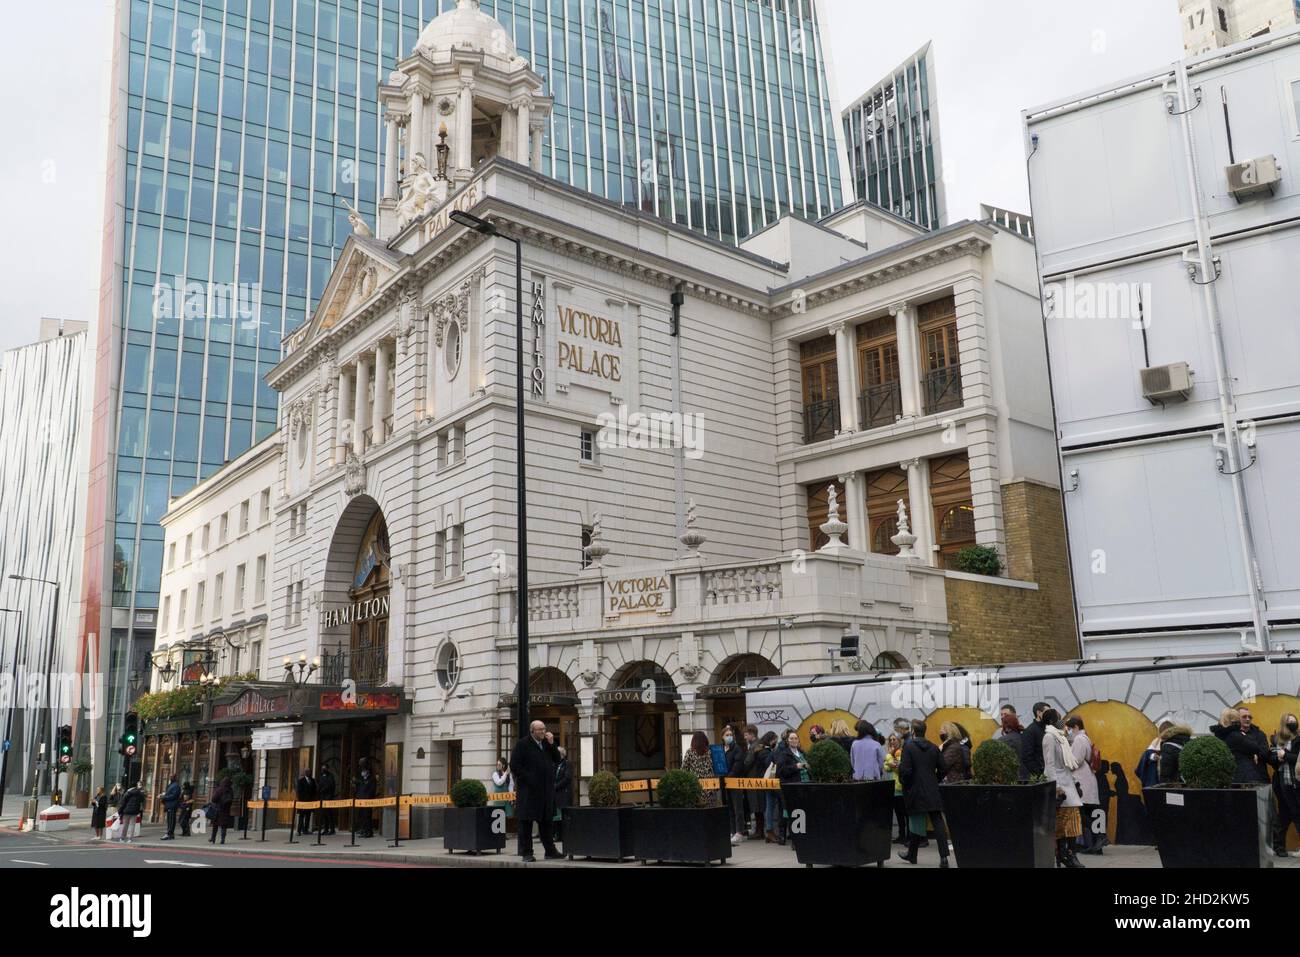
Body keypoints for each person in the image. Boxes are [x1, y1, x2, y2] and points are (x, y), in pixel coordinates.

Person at [897, 719, 950, 867]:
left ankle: (911, 855)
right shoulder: (934, 747)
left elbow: (905, 771)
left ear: (913, 732)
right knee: (937, 821)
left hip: (914, 789)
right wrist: (934, 779)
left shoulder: (908, 747)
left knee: (916, 822)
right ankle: (943, 858)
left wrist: (906, 785)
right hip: (932, 788)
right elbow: (944, 768)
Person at [509, 720, 562, 862]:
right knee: (526, 823)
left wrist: (552, 744)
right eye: (539, 730)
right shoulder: (523, 744)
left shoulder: (546, 743)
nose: (543, 732)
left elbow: (557, 759)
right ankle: (527, 853)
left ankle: (550, 851)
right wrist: (529, 778)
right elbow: (514, 765)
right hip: (529, 791)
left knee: (546, 822)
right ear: (532, 731)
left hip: (545, 791)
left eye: (544, 729)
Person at [1042, 708, 1084, 868]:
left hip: (1068, 782)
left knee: (1073, 821)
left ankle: (1071, 854)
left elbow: (1067, 763)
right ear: (1052, 721)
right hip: (1059, 784)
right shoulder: (1049, 737)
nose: (1063, 720)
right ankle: (1063, 854)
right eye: (1059, 717)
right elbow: (1050, 764)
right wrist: (1056, 787)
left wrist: (1074, 781)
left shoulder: (1061, 737)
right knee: (1061, 824)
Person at [1065, 715, 1104, 855]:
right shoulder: (1083, 738)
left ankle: (1100, 838)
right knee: (1088, 811)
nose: (1068, 731)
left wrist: (1065, 763)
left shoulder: (1079, 739)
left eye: (1069, 728)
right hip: (1086, 778)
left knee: (1084, 812)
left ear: (1075, 727)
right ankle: (1096, 843)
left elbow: (1076, 761)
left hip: (1082, 780)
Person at [1210, 707, 1272, 784]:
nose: (1248, 719)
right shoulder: (1234, 735)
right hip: (1244, 777)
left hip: (1251, 776)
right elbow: (1255, 748)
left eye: (1250, 717)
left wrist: (1256, 754)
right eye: (1244, 717)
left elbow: (1264, 752)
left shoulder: (1259, 734)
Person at [1271, 713, 1299, 857]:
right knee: (1283, 815)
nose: (1293, 723)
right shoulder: (1277, 739)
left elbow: (1297, 759)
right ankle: (1279, 847)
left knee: (1297, 813)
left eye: (1295, 721)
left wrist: (1284, 755)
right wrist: (1277, 757)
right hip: (1282, 782)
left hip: (1295, 782)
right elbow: (1272, 759)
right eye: (1289, 722)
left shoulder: (1298, 739)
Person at [741, 726, 770, 841]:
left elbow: (748, 762)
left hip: (754, 778)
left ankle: (759, 831)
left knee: (757, 806)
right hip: (756, 778)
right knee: (757, 806)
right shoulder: (757, 744)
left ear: (752, 734)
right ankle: (759, 830)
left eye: (746, 734)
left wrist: (742, 768)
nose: (744, 737)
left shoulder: (755, 746)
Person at [722, 725, 748, 845]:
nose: (729, 737)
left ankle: (739, 832)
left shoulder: (736, 749)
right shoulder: (722, 749)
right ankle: (732, 831)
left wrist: (729, 776)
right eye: (727, 735)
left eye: (731, 735)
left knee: (738, 808)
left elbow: (738, 765)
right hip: (725, 782)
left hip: (735, 781)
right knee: (730, 808)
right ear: (722, 737)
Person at [681, 731, 720, 805]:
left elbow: (683, 770)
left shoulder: (690, 752)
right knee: (711, 811)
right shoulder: (710, 751)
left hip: (695, 787)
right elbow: (717, 768)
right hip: (710, 787)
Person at [884, 733, 907, 844]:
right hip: (894, 788)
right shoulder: (894, 753)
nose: (892, 741)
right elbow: (887, 767)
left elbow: (897, 768)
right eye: (890, 739)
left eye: (894, 739)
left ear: (899, 741)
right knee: (898, 814)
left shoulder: (899, 752)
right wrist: (890, 762)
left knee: (904, 814)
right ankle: (901, 835)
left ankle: (905, 836)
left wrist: (888, 757)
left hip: (901, 788)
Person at [1021, 702, 1050, 777]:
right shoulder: (1030, 731)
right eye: (1047, 712)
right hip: (1042, 776)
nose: (1050, 715)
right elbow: (1027, 757)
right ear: (1039, 713)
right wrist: (1040, 774)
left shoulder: (1049, 728)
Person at [998, 712, 1027, 780]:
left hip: (1010, 778)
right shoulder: (1025, 737)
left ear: (1006, 726)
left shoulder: (1002, 740)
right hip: (1027, 776)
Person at [207, 776, 234, 845]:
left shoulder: (219, 789)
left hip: (218, 809)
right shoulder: (230, 790)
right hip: (226, 810)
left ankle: (213, 838)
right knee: (224, 825)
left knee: (215, 825)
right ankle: (223, 839)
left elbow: (213, 799)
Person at [553, 746, 573, 839]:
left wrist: (556, 786)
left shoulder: (567, 764)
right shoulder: (555, 764)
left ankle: (564, 835)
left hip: (563, 793)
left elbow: (567, 778)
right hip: (556, 794)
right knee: (556, 815)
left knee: (563, 815)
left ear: (562, 754)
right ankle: (557, 834)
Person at [355, 763, 378, 838]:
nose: (363, 772)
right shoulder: (362, 779)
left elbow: (372, 790)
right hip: (361, 801)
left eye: (364, 771)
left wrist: (367, 798)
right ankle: (363, 830)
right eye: (362, 771)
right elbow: (359, 790)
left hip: (368, 801)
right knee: (362, 816)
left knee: (367, 816)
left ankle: (369, 832)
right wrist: (358, 797)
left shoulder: (372, 779)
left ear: (368, 771)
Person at [295, 766, 318, 836]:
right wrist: (301, 801)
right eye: (306, 771)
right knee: (302, 816)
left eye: (309, 771)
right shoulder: (301, 781)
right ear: (305, 773)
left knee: (308, 816)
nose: (308, 772)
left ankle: (305, 830)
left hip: (310, 802)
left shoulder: (313, 780)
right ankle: (299, 830)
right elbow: (299, 791)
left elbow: (314, 790)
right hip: (303, 802)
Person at [159, 775, 182, 840]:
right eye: (170, 777)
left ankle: (169, 834)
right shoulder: (171, 785)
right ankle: (170, 834)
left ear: (174, 778)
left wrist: (163, 797)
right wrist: (163, 795)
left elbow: (173, 796)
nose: (170, 778)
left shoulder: (175, 786)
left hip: (172, 805)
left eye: (171, 777)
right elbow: (169, 794)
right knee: (169, 820)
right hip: (169, 805)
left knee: (171, 820)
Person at [318, 764, 337, 835]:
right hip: (322, 797)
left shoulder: (330, 776)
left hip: (328, 797)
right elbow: (319, 784)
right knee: (324, 815)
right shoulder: (321, 776)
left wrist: (324, 789)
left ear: (327, 769)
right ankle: (325, 829)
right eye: (322, 768)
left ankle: (332, 829)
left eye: (324, 768)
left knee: (329, 814)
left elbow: (331, 785)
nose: (323, 770)